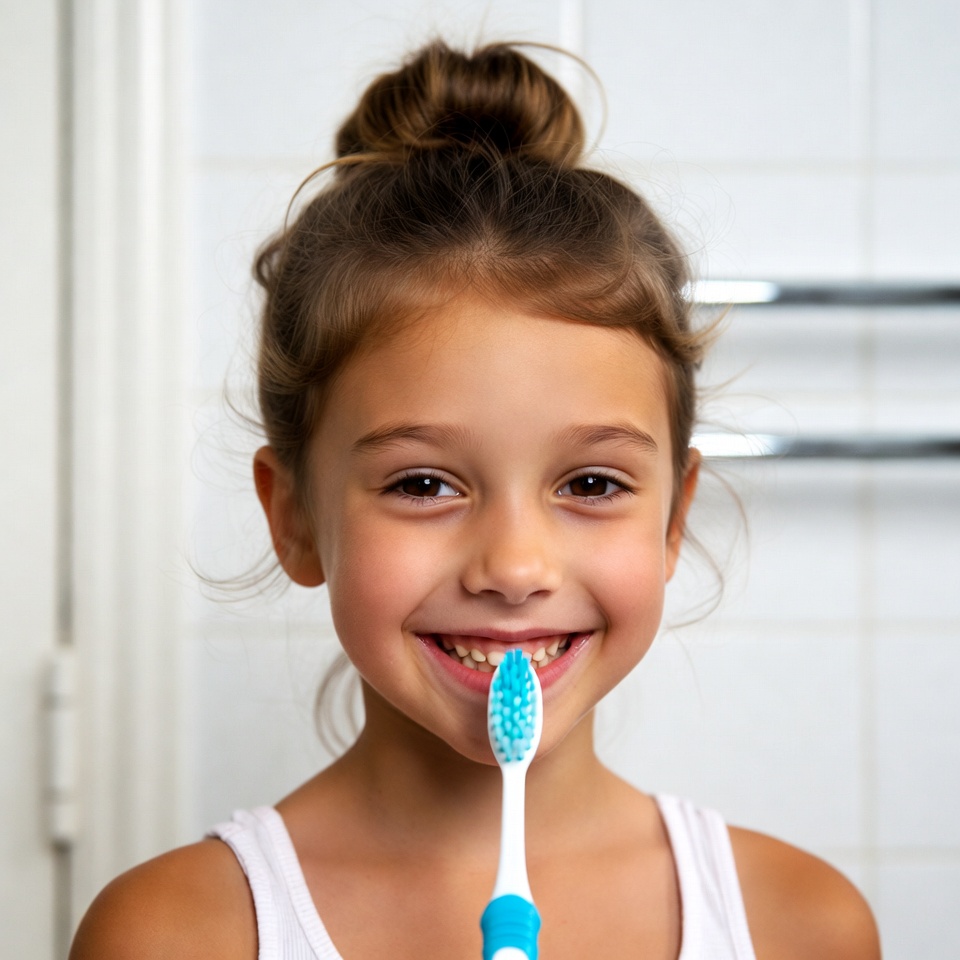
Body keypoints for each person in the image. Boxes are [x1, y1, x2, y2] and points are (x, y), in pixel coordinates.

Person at [70, 40, 881, 960]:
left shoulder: (801, 926)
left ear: (674, 517)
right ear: (292, 516)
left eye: (591, 484)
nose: (515, 568)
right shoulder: (176, 934)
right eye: (423, 484)